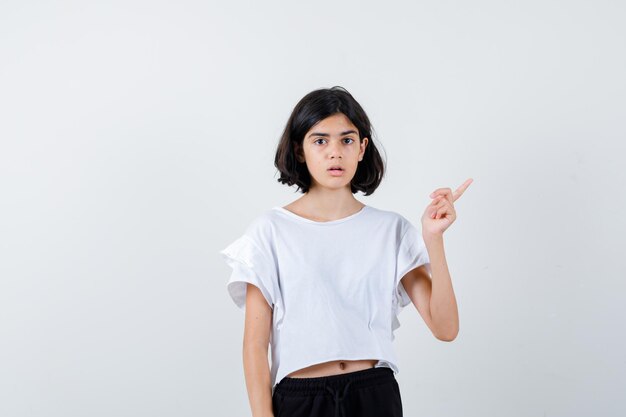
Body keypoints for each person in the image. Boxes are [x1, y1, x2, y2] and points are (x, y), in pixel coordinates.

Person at [219, 86, 472, 417]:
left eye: (347, 140)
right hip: (301, 399)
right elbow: (255, 345)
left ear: (362, 148)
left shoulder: (390, 230)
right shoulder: (270, 231)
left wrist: (433, 239)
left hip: (374, 395)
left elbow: (445, 328)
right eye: (320, 140)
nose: (335, 152)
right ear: (300, 150)